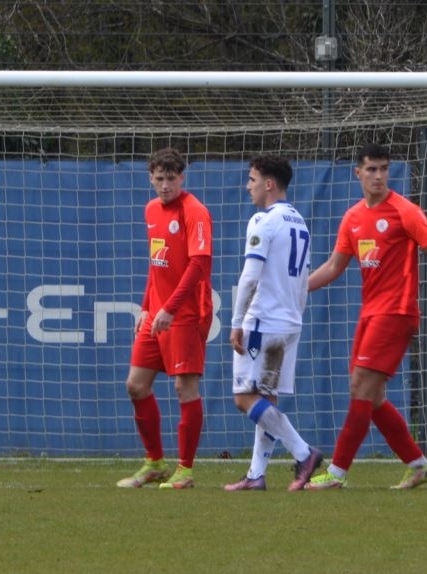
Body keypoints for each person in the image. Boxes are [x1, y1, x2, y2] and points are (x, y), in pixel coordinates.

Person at [302, 143, 427, 490]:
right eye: (371, 169)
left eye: (384, 168)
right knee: (372, 396)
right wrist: (297, 290)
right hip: (370, 313)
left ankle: (336, 473)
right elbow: (334, 266)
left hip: (396, 313)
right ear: (358, 173)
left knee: (361, 388)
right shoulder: (353, 217)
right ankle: (418, 465)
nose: (379, 176)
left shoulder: (405, 211)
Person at [223, 155, 326, 492]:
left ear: (268, 184)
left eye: (252, 180)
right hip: (289, 321)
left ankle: (304, 453)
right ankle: (256, 474)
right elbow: (303, 280)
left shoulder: (263, 220)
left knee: (244, 398)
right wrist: (296, 315)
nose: (247, 186)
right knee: (266, 398)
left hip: (263, 321)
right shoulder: (299, 222)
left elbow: (250, 275)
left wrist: (237, 322)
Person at [116, 148, 213, 490]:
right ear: (151, 179)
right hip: (157, 312)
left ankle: (184, 470)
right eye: (160, 179)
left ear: (182, 178)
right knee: (136, 384)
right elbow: (156, 263)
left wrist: (170, 308)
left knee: (184, 388)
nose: (166, 185)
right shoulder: (151, 210)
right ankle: (155, 463)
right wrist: (146, 306)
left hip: (186, 312)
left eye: (172, 178)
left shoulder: (194, 211)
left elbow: (198, 265)